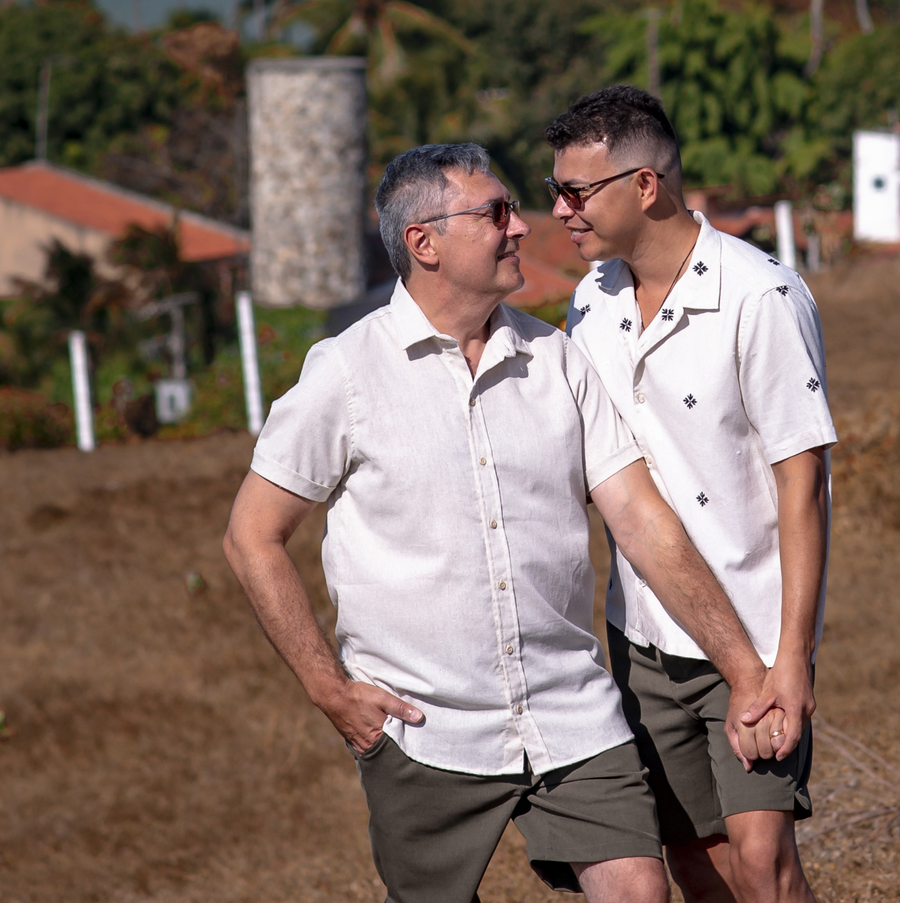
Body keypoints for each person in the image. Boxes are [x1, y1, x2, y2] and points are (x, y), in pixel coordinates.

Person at [223, 141, 782, 903]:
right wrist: (329, 689)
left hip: (572, 714)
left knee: (640, 892)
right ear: (424, 243)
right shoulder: (346, 373)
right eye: (495, 213)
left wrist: (746, 669)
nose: (522, 226)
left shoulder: (557, 360)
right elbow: (251, 535)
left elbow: (645, 523)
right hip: (424, 731)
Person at [547, 87, 836, 903]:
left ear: (645, 186)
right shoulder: (590, 301)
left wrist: (793, 658)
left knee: (763, 867)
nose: (561, 211)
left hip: (751, 630)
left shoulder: (761, 295)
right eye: (554, 193)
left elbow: (804, 484)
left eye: (577, 192)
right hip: (639, 635)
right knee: (696, 867)